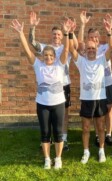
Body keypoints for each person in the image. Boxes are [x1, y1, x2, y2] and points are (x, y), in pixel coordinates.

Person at [11, 18, 71, 169]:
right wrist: (20, 33)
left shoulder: (60, 64)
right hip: (42, 104)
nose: (49, 58)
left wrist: (67, 33)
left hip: (58, 104)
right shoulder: (38, 65)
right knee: (45, 133)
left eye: (51, 56)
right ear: (43, 56)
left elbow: (66, 50)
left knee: (58, 132)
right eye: (46, 56)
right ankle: (46, 159)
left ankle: (57, 158)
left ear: (54, 57)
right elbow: (27, 50)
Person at [28, 12, 78, 151]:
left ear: (62, 37)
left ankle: (63, 138)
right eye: (54, 34)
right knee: (47, 113)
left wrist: (70, 32)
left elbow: (75, 46)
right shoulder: (46, 48)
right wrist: (32, 27)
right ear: (51, 36)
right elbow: (32, 42)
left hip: (64, 84)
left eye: (58, 34)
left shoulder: (65, 47)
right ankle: (47, 139)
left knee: (63, 114)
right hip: (48, 86)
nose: (56, 36)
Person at [69, 16, 112, 164]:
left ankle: (101, 151)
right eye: (88, 48)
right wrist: (69, 33)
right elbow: (71, 49)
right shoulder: (81, 62)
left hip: (100, 99)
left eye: (93, 48)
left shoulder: (102, 59)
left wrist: (109, 32)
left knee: (101, 127)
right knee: (86, 128)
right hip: (86, 99)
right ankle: (86, 151)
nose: (90, 50)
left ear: (96, 49)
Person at [78, 11, 112, 147]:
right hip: (95, 85)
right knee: (97, 112)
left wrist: (111, 28)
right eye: (91, 37)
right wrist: (82, 25)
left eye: (95, 36)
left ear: (99, 37)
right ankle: (96, 134)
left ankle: (108, 134)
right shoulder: (88, 49)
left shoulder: (105, 46)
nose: (94, 39)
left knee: (108, 110)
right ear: (88, 38)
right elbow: (78, 45)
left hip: (108, 81)